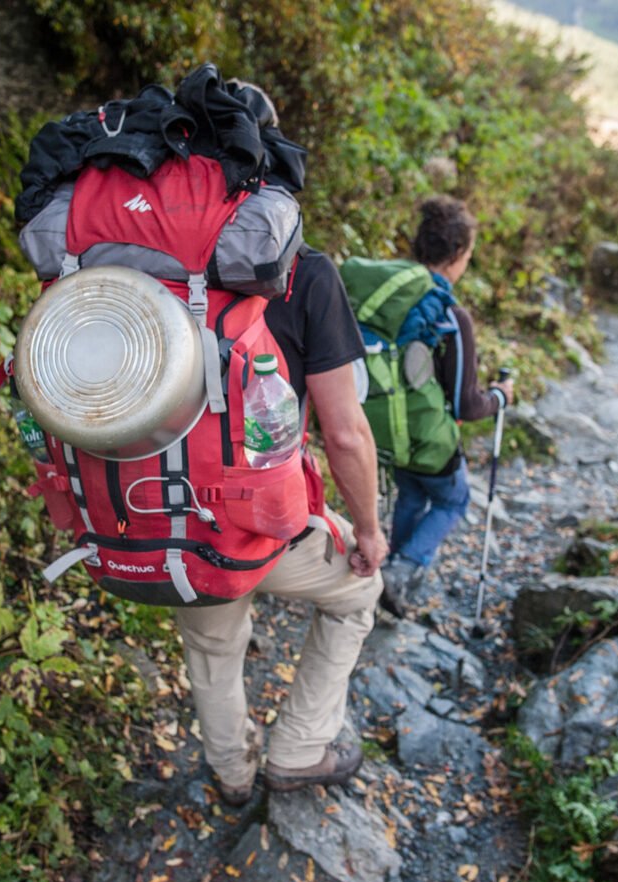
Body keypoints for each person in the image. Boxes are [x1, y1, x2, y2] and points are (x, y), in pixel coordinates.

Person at [174, 84, 388, 806]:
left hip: (160, 516)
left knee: (211, 645)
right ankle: (298, 747)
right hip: (264, 524)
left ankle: (231, 775)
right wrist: (367, 530)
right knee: (360, 589)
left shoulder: (124, 269)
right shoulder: (303, 271)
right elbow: (347, 433)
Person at [380, 196, 514, 618]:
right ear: (457, 255)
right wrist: (502, 397)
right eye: (469, 254)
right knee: (454, 501)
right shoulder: (450, 314)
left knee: (410, 495)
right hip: (428, 438)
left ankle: (387, 577)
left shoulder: (391, 300)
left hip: (388, 427)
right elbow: (467, 403)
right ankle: (400, 570)